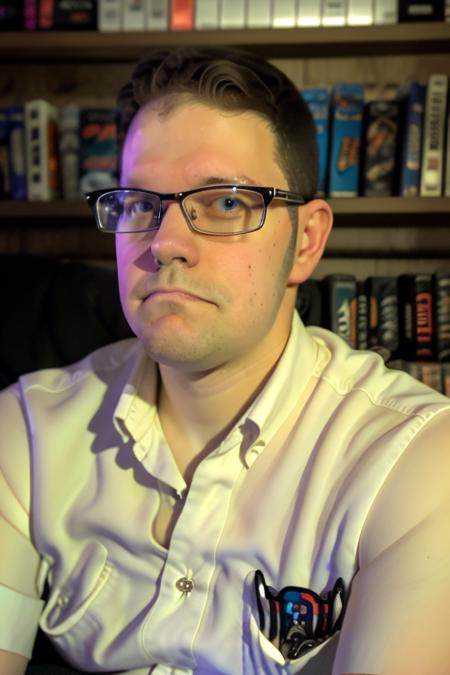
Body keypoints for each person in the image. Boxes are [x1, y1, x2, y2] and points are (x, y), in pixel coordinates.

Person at [1, 47, 449, 675]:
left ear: (307, 242)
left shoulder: (413, 462)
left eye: (227, 202)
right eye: (138, 204)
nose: (165, 243)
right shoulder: (26, 429)